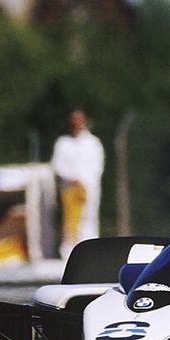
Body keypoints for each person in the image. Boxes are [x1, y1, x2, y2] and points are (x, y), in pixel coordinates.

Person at [51, 109, 105, 258]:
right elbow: (58, 165)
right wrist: (72, 178)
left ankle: (91, 251)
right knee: (70, 221)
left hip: (88, 188)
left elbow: (97, 166)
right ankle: (69, 252)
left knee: (89, 218)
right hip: (69, 187)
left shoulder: (93, 143)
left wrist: (84, 182)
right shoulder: (63, 143)